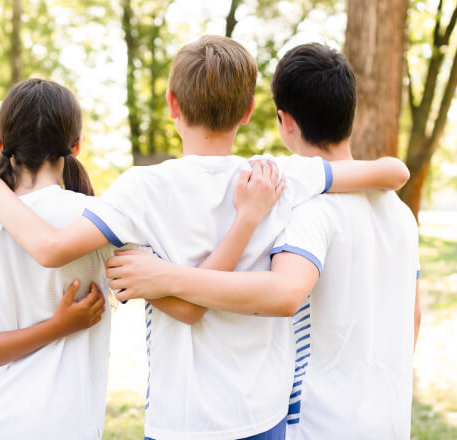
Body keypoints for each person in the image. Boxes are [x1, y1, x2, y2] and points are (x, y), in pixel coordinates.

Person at [0, 36, 410, 439]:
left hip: (181, 419)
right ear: (248, 111)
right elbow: (392, 172)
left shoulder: (142, 189)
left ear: (172, 104)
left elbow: (50, 249)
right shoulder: (275, 176)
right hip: (262, 413)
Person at [0, 78, 283, 439]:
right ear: (75, 145)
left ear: (0, 143)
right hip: (68, 424)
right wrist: (244, 221)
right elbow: (188, 307)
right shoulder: (98, 225)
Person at [108, 43, 420, 439]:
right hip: (389, 418)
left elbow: (283, 293)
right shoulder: (399, 213)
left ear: (284, 121)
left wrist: (165, 277)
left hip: (318, 422)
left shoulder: (308, 209)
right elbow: (414, 315)